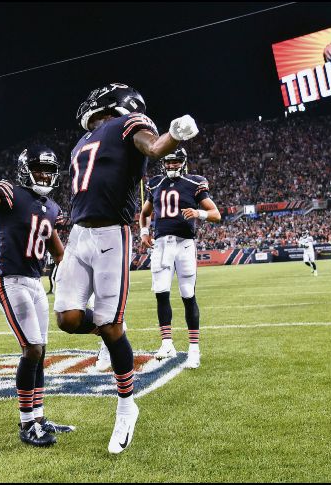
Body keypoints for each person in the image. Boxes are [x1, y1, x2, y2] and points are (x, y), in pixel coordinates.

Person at [53, 82, 198, 454]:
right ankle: (108, 329)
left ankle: (126, 404)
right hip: (79, 233)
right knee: (68, 319)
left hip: (110, 235)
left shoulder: (128, 123)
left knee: (111, 326)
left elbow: (152, 146)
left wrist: (174, 136)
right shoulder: (79, 143)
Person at [0, 145, 74, 447]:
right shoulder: (10, 192)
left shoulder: (49, 206)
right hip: (10, 280)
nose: (44, 175)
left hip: (35, 283)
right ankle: (27, 423)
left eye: (49, 171)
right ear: (26, 168)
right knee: (32, 350)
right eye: (39, 169)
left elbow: (53, 241)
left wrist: (66, 269)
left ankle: (39, 417)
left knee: (41, 351)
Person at [139, 147, 220, 369]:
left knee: (187, 294)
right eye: (169, 162)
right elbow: (145, 213)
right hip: (162, 246)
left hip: (184, 244)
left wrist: (198, 213)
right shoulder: (155, 183)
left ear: (183, 162)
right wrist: (144, 232)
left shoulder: (194, 183)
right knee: (161, 294)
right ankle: (167, 343)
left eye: (176, 162)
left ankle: (194, 349)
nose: (172, 165)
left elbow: (216, 214)